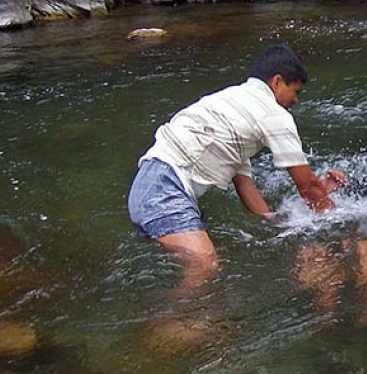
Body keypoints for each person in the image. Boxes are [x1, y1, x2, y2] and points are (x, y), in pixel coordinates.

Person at [128, 44, 347, 294]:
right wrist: (340, 220)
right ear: (277, 82)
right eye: (295, 91)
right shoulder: (273, 115)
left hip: (144, 189)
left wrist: (277, 223)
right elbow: (307, 187)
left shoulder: (231, 105)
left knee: (193, 271)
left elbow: (244, 185)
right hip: (165, 191)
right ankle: (168, 330)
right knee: (206, 267)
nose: (295, 100)